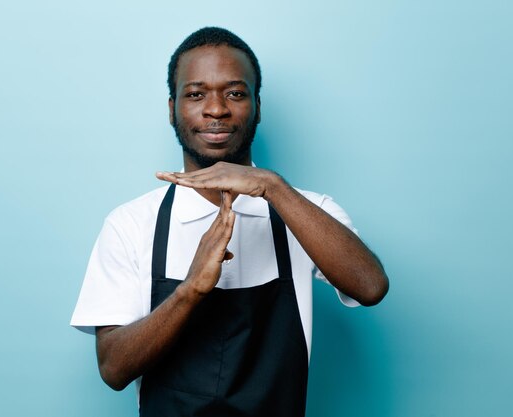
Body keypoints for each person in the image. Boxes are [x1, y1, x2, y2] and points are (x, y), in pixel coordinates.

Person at [71, 26, 389, 417]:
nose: (216, 109)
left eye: (235, 93)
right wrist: (189, 291)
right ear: (172, 108)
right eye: (196, 94)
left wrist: (271, 186)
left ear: (258, 105)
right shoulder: (131, 224)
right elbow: (113, 369)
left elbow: (371, 286)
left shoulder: (305, 209)